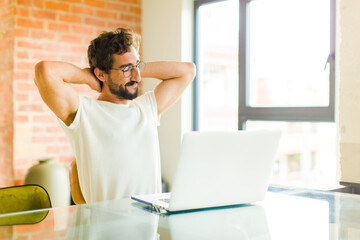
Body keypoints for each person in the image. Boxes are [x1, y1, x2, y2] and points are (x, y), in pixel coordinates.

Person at [34, 28, 196, 204]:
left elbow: (187, 71)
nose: (137, 76)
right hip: (105, 228)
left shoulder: (147, 108)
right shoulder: (83, 112)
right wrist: (90, 79)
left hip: (148, 227)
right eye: (126, 68)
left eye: (138, 66)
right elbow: (45, 71)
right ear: (101, 73)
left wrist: (135, 67)